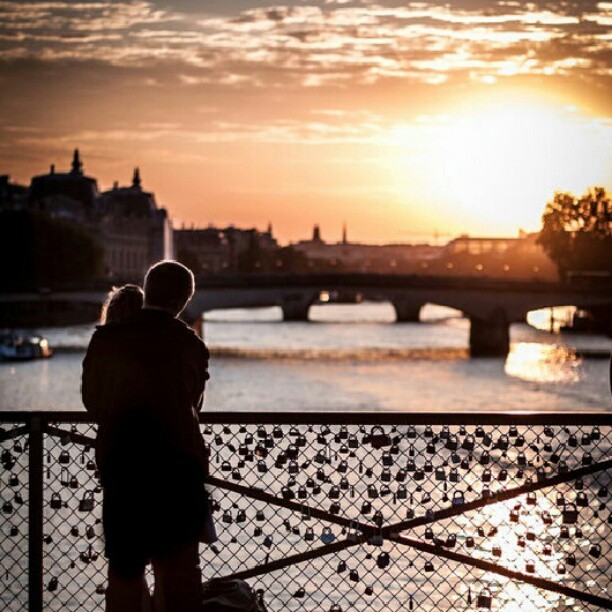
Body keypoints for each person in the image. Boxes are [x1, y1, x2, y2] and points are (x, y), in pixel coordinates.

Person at [82, 261, 210, 612]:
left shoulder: (106, 339)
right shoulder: (190, 344)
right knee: (179, 575)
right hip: (178, 475)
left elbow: (93, 402)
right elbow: (194, 404)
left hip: (124, 472)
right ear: (185, 300)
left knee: (124, 573)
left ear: (146, 289)